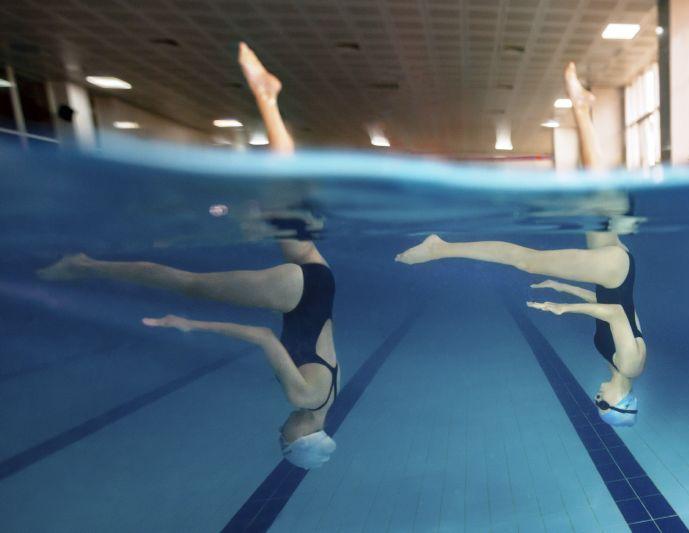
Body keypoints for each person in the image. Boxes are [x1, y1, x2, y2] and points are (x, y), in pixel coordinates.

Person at [37, 43, 339, 468]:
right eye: (284, 442)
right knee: (190, 284)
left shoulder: (329, 398)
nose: (280, 433)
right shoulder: (303, 398)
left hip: (320, 285)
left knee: (281, 203)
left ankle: (270, 102)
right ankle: (83, 265)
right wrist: (188, 324)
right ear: (303, 438)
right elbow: (263, 337)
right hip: (300, 295)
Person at [395, 63, 646, 427]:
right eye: (601, 404)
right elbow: (616, 314)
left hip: (614, 275)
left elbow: (617, 307)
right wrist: (564, 309)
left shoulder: (619, 366)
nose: (597, 398)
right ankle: (440, 248)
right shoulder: (630, 365)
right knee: (528, 261)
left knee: (596, 201)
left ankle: (581, 108)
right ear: (618, 403)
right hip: (613, 270)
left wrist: (563, 287)